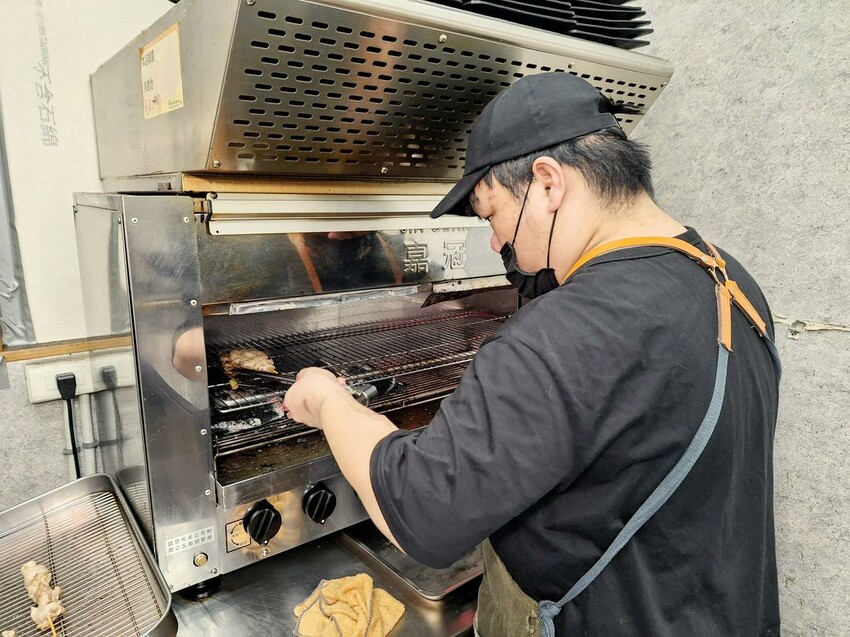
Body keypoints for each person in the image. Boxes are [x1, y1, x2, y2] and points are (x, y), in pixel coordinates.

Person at [283, 72, 782, 636]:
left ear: (547, 183)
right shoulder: (726, 276)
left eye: (492, 214)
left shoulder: (567, 333)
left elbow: (420, 511)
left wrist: (328, 399)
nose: (497, 241)